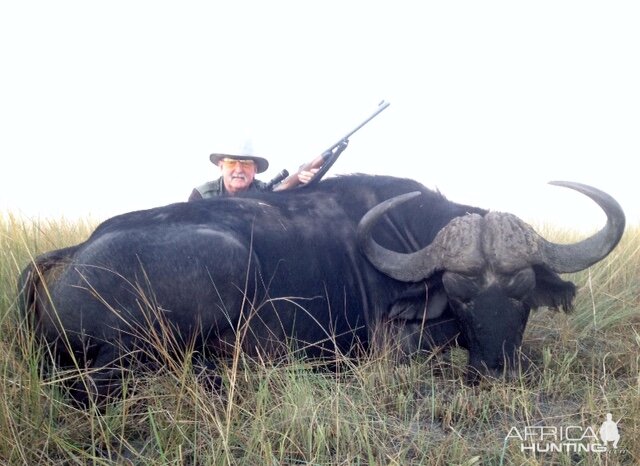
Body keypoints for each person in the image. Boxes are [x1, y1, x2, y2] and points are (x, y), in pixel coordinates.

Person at [188, 139, 316, 201]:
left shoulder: (268, 192)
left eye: (246, 164)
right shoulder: (200, 196)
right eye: (231, 163)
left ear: (255, 170)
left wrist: (306, 185)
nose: (238, 170)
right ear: (221, 167)